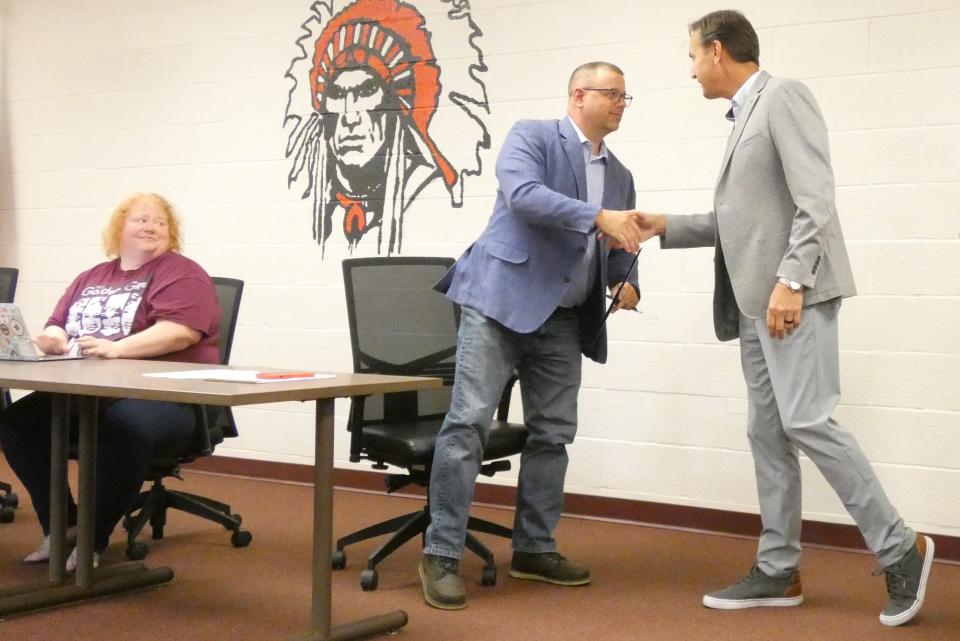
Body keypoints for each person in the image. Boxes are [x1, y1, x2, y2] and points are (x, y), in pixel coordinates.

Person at [634, 10, 933, 627]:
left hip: (791, 298)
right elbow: (744, 223)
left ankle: (903, 548)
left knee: (807, 420)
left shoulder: (782, 98)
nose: (690, 70)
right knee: (766, 433)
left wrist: (792, 280)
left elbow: (815, 199)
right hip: (754, 305)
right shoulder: (743, 116)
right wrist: (665, 225)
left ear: (716, 51)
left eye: (692, 56)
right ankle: (778, 569)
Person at [418, 61, 644, 610]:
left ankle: (534, 549)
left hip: (564, 319)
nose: (620, 104)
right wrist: (599, 218)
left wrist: (626, 279)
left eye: (625, 97)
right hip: (500, 303)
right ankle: (441, 552)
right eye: (612, 94)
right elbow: (524, 197)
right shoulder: (533, 137)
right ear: (577, 95)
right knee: (468, 422)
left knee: (553, 434)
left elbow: (621, 240)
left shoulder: (619, 174)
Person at [0, 193, 220, 570]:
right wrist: (54, 338)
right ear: (119, 229)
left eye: (160, 222)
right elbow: (58, 323)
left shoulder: (181, 272)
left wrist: (117, 349)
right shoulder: (92, 276)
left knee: (123, 426)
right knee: (18, 423)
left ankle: (92, 537)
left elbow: (179, 332)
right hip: (90, 392)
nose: (150, 226)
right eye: (140, 220)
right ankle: (62, 526)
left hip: (164, 399)